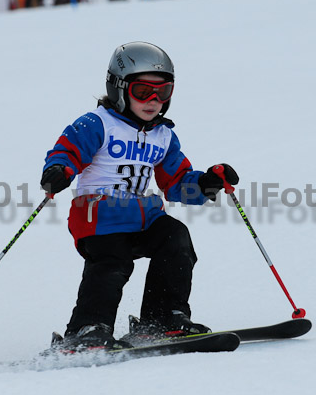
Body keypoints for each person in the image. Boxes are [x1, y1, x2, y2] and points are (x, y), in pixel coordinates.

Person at [40, 41, 239, 350]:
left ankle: (161, 320)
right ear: (119, 87)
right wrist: (59, 170)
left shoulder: (163, 135)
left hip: (143, 216)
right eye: (143, 91)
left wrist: (207, 184)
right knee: (112, 262)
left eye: (163, 92)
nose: (154, 100)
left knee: (175, 238)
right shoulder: (98, 124)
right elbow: (67, 151)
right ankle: (87, 329)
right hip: (99, 218)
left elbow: (176, 181)